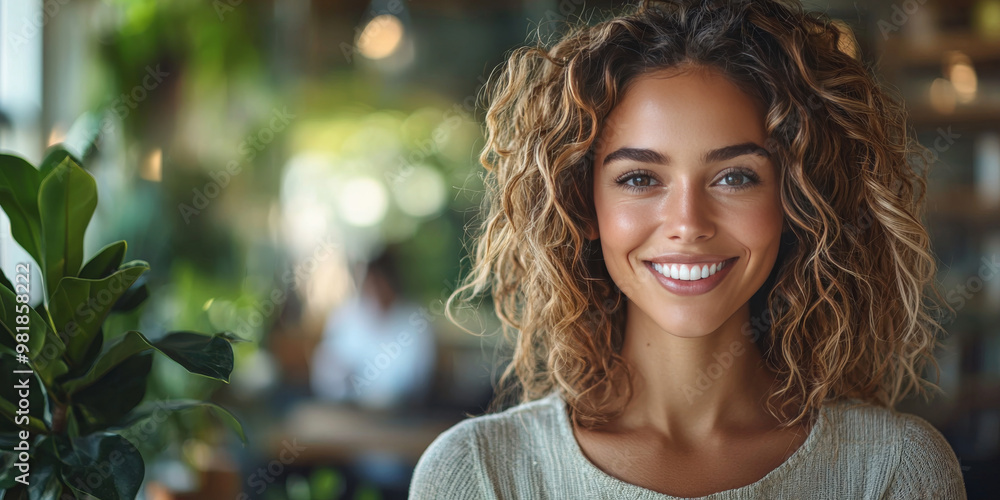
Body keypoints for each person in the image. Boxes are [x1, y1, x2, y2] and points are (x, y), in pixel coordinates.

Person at [409, 0, 967, 498]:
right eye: (639, 179)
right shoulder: (480, 474)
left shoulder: (895, 471)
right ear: (583, 207)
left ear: (797, 201)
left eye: (735, 177)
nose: (688, 224)